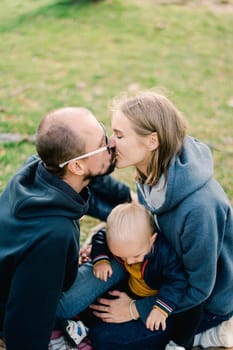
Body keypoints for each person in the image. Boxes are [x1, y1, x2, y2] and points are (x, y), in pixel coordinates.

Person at [57, 91, 233, 350]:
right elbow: (143, 221)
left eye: (119, 135)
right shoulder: (148, 169)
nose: (111, 143)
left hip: (200, 303)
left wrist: (135, 308)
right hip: (149, 266)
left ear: (152, 141)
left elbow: (200, 288)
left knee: (105, 338)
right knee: (79, 308)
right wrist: (110, 241)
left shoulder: (200, 207)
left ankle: (211, 334)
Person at [0, 106, 132, 350]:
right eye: (102, 143)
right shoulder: (53, 234)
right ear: (77, 167)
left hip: (20, 274)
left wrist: (128, 199)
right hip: (28, 302)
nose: (111, 143)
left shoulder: (37, 169)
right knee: (121, 262)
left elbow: (93, 184)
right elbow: (28, 315)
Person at [91, 202, 204, 350]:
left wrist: (160, 308)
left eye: (136, 256)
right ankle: (83, 323)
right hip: (134, 289)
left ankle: (178, 344)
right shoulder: (125, 245)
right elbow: (100, 237)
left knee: (190, 315)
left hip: (161, 297)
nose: (129, 262)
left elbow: (176, 282)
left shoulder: (164, 253)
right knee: (100, 307)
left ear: (152, 240)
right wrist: (100, 259)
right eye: (122, 257)